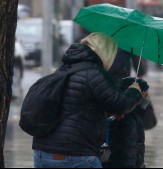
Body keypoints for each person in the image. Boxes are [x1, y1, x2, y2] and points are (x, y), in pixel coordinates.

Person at [33, 33, 143, 168]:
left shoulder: (63, 69)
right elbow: (121, 104)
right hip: (74, 155)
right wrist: (135, 90)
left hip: (42, 153)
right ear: (106, 52)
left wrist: (109, 112)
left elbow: (80, 104)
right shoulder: (94, 73)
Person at [108, 78, 150, 168]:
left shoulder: (135, 116)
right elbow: (128, 153)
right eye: (145, 94)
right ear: (138, 95)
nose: (147, 97)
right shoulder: (129, 120)